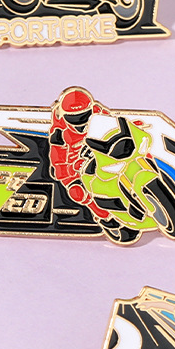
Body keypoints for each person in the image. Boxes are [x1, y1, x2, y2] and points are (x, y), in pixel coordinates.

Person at [47, 86, 142, 243]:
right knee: (77, 192)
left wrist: (132, 126)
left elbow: (116, 125)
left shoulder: (99, 112)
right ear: (64, 115)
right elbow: (57, 158)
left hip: (101, 151)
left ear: (90, 109)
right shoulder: (59, 133)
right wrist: (66, 172)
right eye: (74, 118)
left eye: (84, 115)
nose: (80, 122)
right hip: (76, 162)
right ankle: (104, 217)